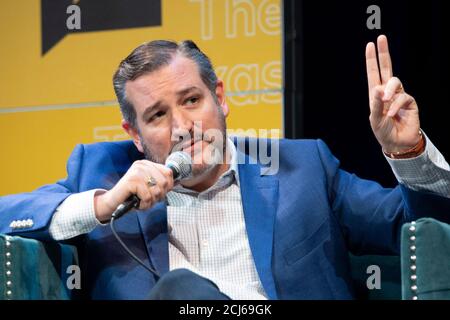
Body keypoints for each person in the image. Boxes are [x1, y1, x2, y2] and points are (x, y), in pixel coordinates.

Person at [1, 35, 450, 300]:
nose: (182, 127)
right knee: (182, 293)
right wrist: (104, 205)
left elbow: (421, 227)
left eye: (192, 100)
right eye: (157, 116)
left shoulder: (303, 167)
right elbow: (9, 216)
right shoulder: (103, 174)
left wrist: (408, 153)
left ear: (220, 97)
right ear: (134, 134)